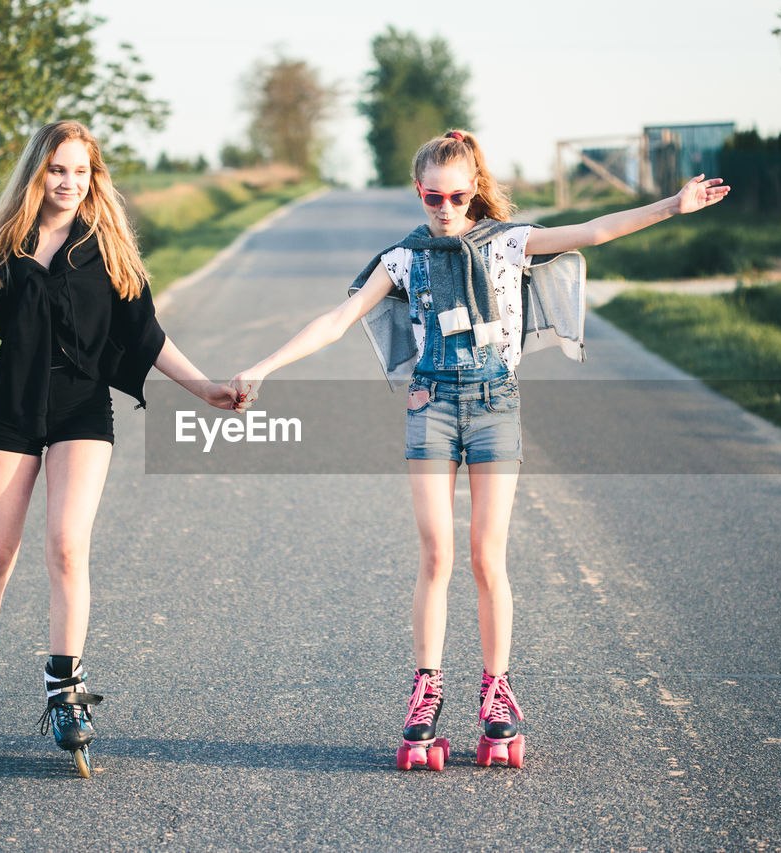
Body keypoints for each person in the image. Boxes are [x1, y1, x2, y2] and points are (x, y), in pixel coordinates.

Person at [230, 130, 728, 770]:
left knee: (486, 556)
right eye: (433, 196)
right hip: (430, 408)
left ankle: (497, 693)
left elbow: (593, 230)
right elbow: (337, 319)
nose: (444, 207)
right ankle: (426, 691)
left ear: (474, 191)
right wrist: (265, 367)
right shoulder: (402, 260)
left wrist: (670, 206)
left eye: (456, 196)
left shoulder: (508, 242)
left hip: (496, 406)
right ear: (419, 192)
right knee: (436, 554)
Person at [0, 120, 237, 777]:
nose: (69, 182)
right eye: (57, 169)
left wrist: (203, 386)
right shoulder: (1, 244)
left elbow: (146, 335)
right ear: (37, 173)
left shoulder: (109, 245)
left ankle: (65, 692)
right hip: (10, 407)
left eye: (81, 171)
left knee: (66, 543)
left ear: (95, 177)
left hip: (81, 408)